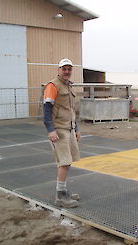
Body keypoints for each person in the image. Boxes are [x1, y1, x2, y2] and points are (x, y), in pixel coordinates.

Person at [43, 58, 80, 208]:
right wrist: (50, 129)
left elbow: (71, 110)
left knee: (68, 161)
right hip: (59, 129)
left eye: (69, 69)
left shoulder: (69, 86)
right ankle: (60, 196)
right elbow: (46, 108)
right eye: (64, 69)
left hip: (69, 129)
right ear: (59, 70)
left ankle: (63, 191)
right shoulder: (53, 86)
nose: (67, 72)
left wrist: (76, 129)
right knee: (63, 162)